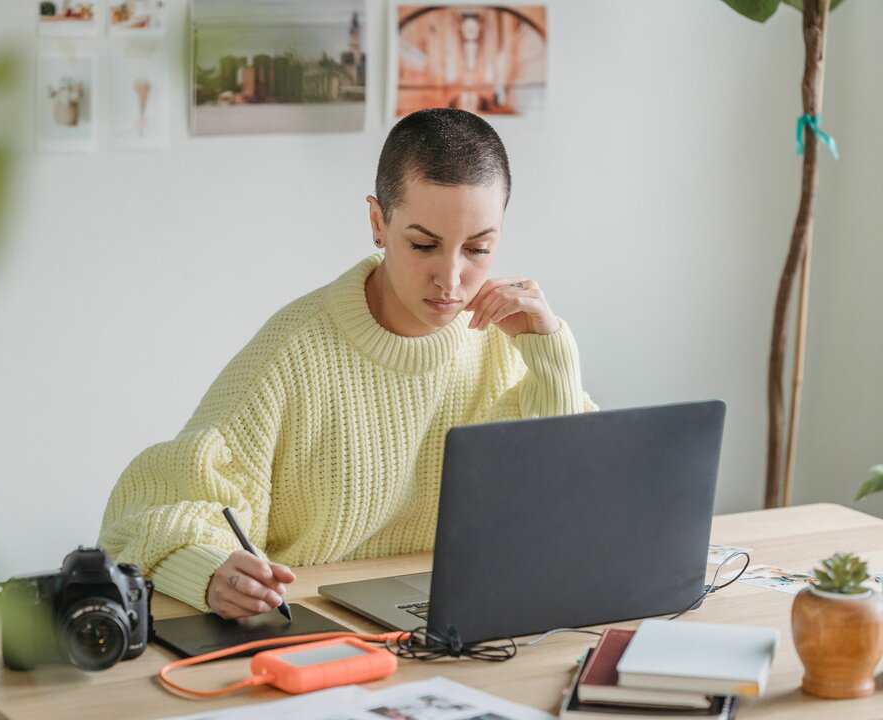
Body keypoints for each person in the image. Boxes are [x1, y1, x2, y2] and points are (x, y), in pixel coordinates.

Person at [98, 108, 596, 620]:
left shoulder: (504, 342)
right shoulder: (293, 353)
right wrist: (209, 572)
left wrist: (550, 350)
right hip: (313, 627)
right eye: (423, 245)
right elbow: (143, 519)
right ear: (379, 222)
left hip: (455, 617)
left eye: (478, 248)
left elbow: (563, 509)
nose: (451, 280)